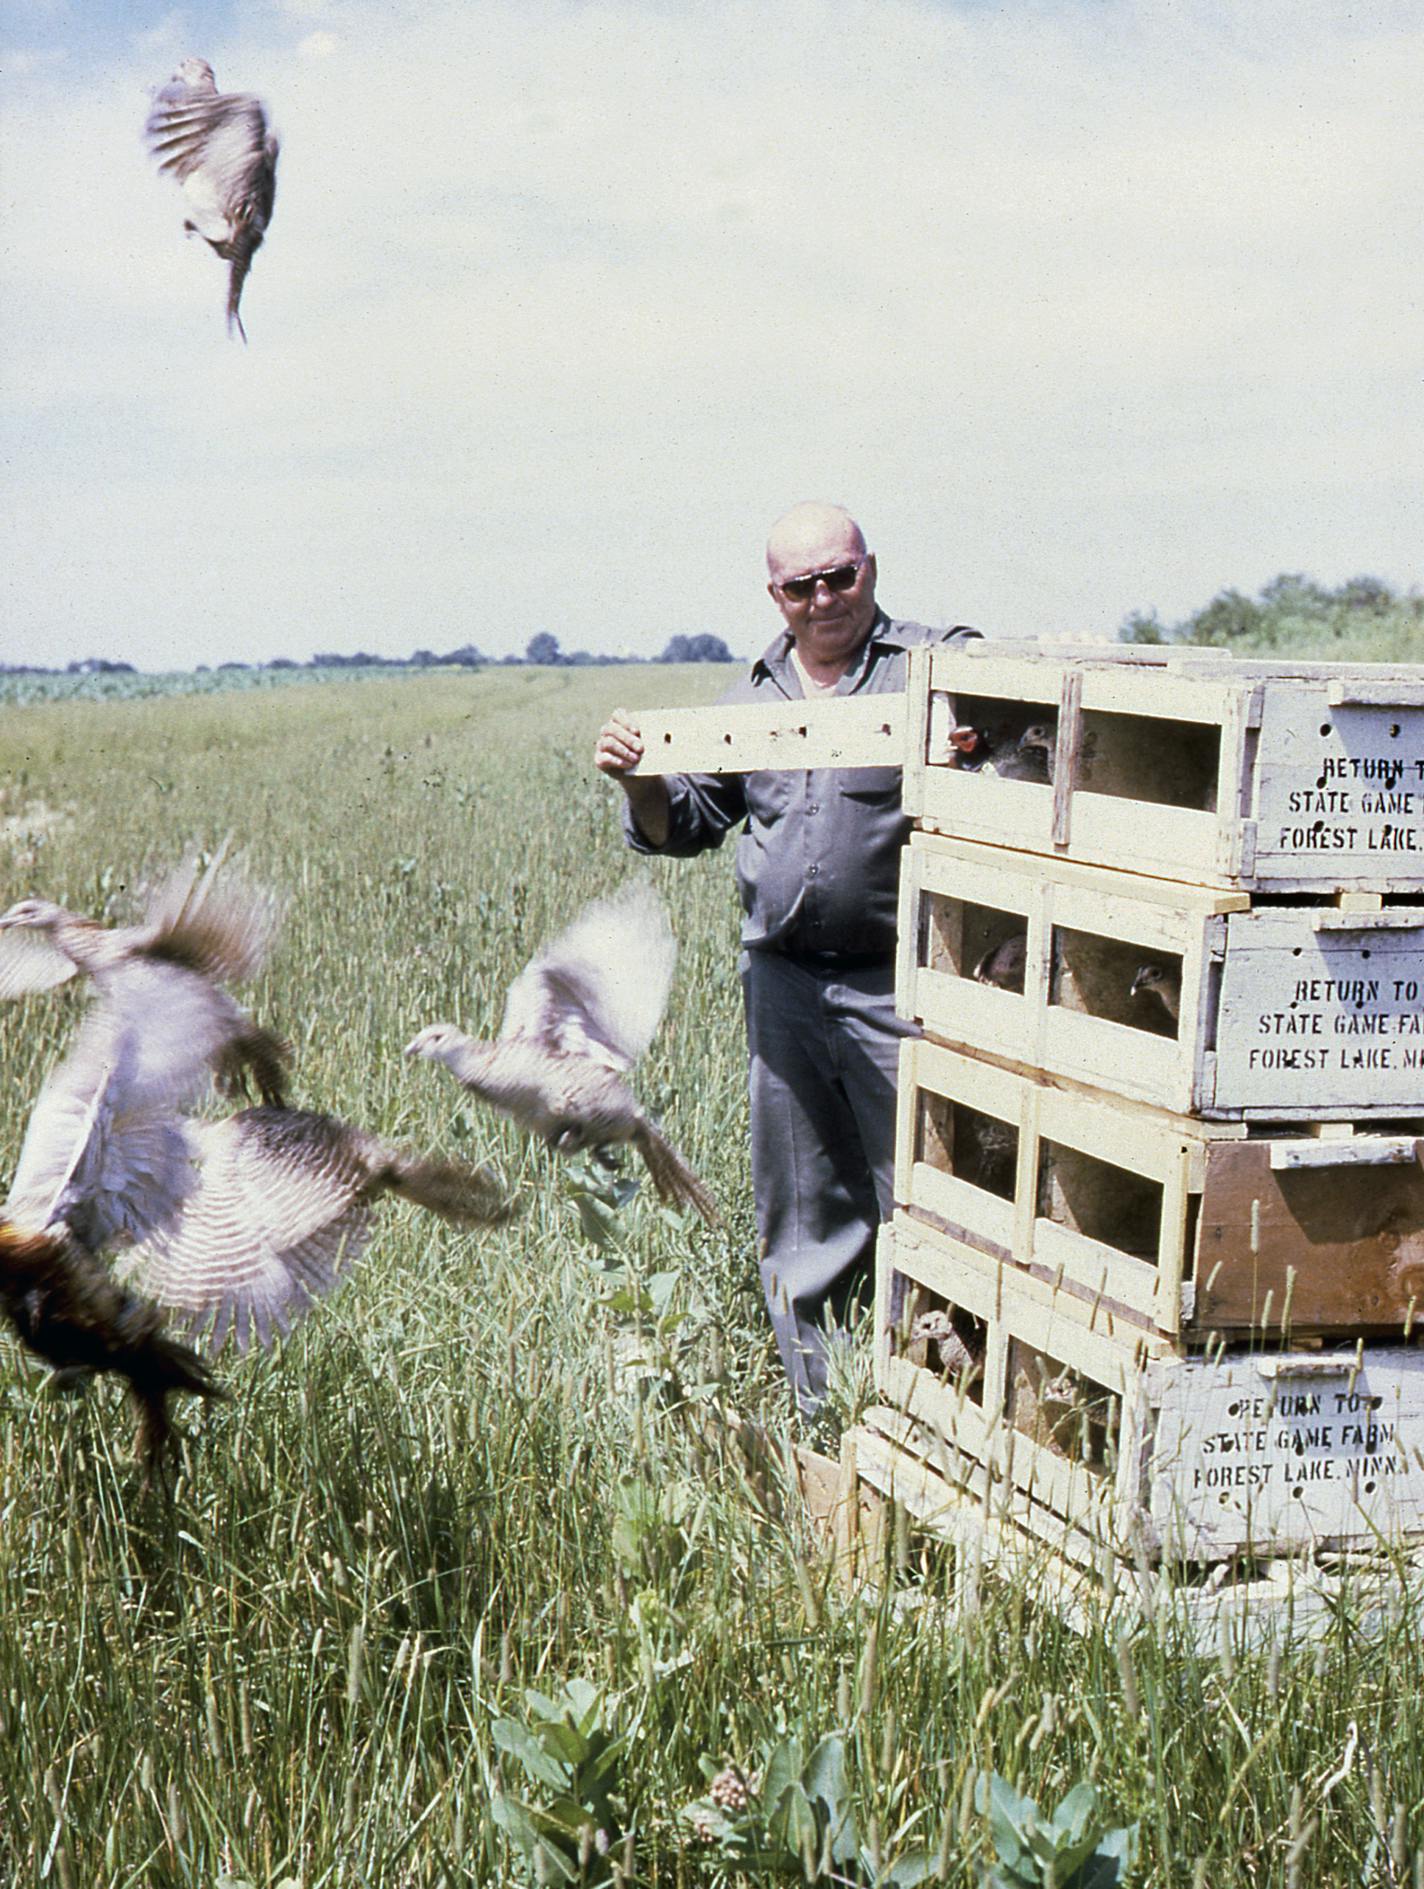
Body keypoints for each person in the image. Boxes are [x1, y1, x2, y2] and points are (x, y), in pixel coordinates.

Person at [594, 501, 979, 1415]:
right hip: (785, 988)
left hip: (905, 986)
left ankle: (945, 1420)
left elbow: (1011, 709)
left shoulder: (930, 666)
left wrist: (982, 717)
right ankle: (831, 1420)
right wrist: (639, 776)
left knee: (931, 1210)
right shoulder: (752, 698)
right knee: (807, 1217)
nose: (824, 598)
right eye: (801, 585)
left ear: (872, 570)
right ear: (775, 595)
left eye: (840, 576)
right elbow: (681, 824)